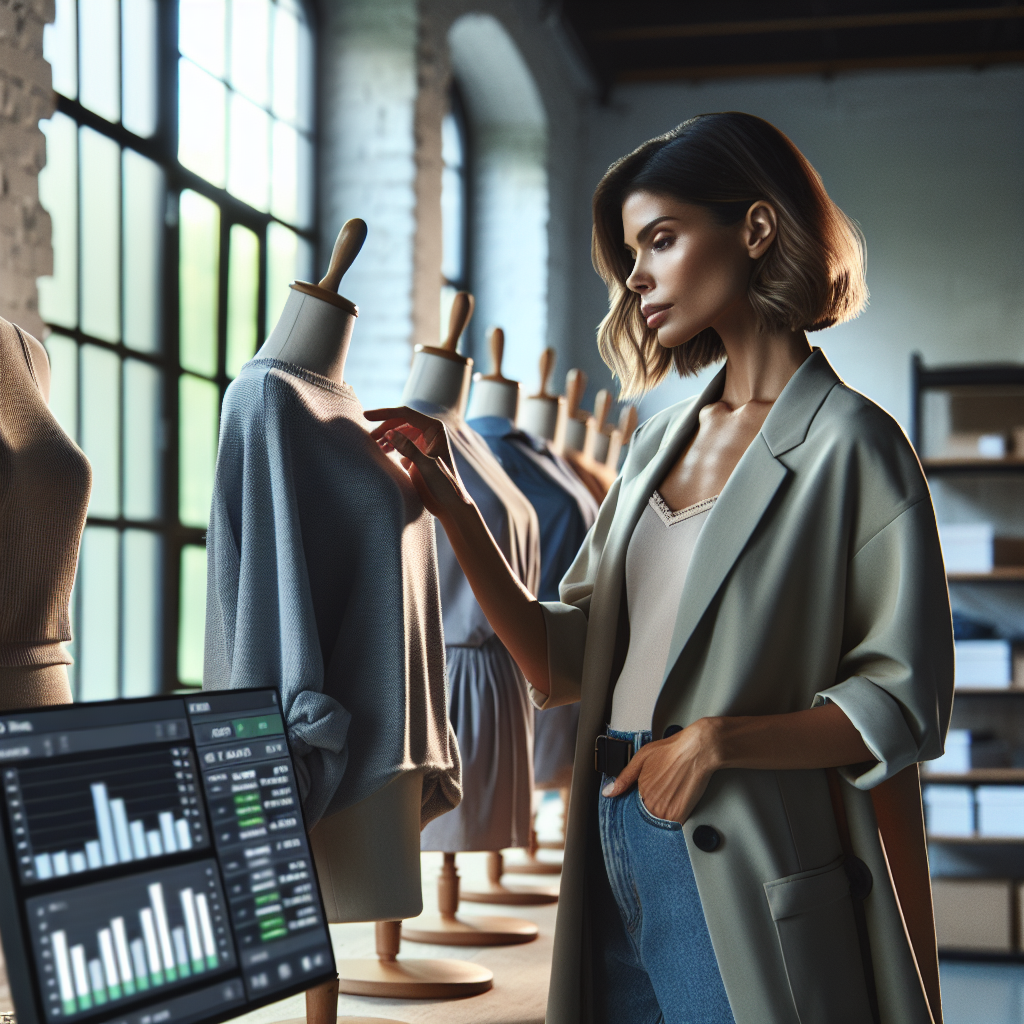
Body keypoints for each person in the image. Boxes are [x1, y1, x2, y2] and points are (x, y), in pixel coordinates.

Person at [368, 112, 952, 1024]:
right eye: (631, 252)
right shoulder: (652, 446)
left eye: (663, 239)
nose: (637, 275)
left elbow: (903, 702)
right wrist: (456, 508)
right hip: (610, 829)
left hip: (751, 852)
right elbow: (561, 663)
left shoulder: (856, 448)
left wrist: (722, 742)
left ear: (755, 230)